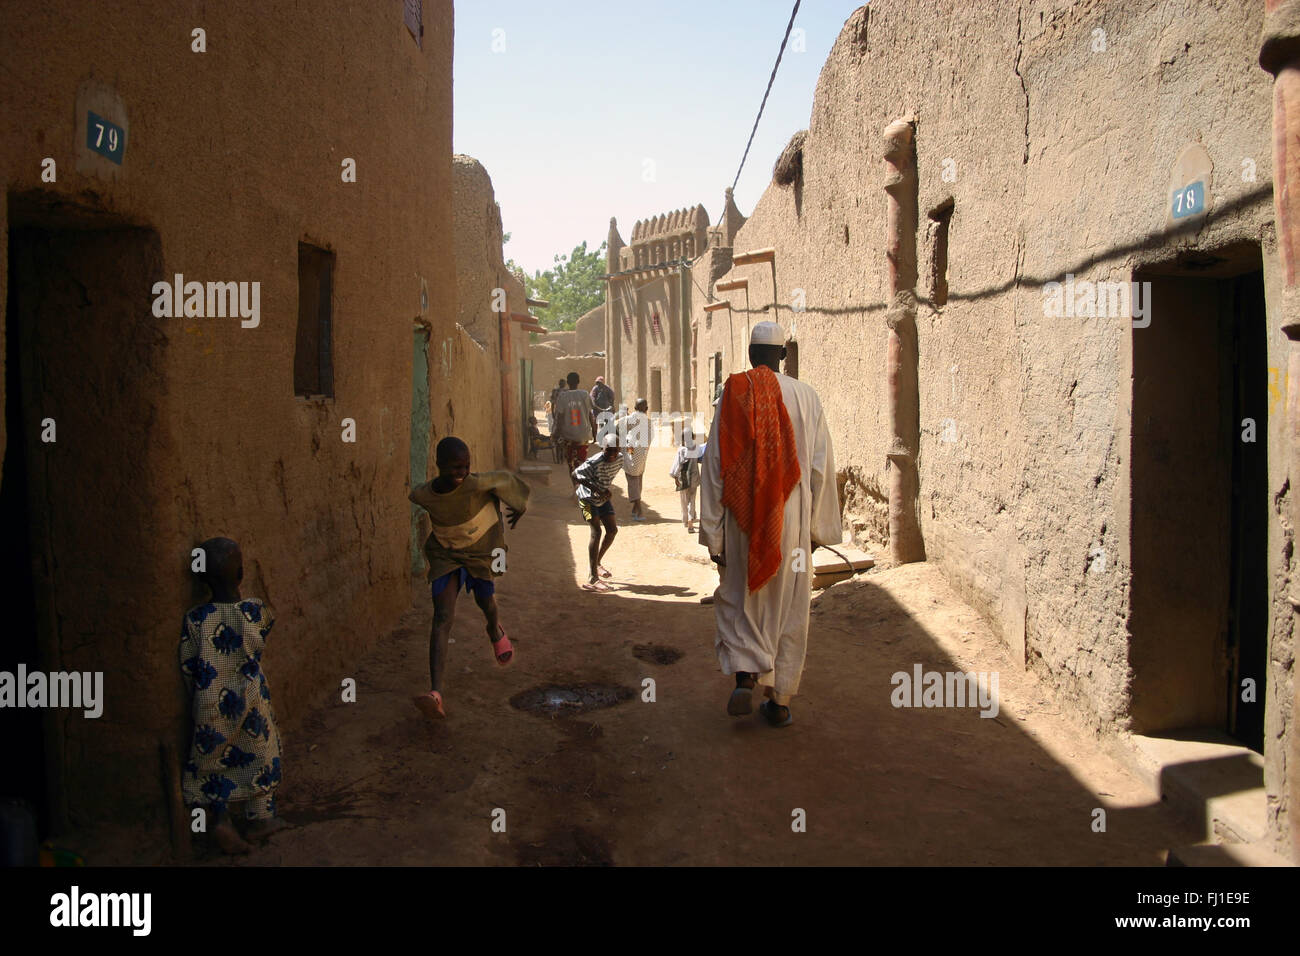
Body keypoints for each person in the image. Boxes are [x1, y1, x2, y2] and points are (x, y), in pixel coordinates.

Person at [699, 321, 841, 728]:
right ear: (782, 357)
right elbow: (819, 467)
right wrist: (817, 530)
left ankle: (745, 674)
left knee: (741, 596)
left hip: (745, 517)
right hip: (792, 514)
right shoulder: (808, 396)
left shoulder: (734, 392)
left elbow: (715, 466)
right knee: (791, 605)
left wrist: (712, 531)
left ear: (750, 355)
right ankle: (779, 700)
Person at [409, 436, 529, 720]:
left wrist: (518, 506)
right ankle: (435, 693)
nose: (461, 473)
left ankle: (493, 630)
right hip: (446, 555)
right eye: (454, 468)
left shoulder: (476, 484)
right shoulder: (424, 495)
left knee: (486, 603)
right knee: (441, 617)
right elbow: (417, 496)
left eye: (466, 467)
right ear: (438, 465)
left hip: (478, 554)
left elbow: (504, 481)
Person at [179, 537, 286, 855]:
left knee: (213, 763)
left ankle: (221, 820)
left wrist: (199, 696)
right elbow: (265, 633)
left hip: (210, 703)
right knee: (260, 756)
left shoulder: (195, 619)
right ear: (240, 573)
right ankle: (259, 819)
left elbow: (188, 664)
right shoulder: (255, 612)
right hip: (250, 701)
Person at [573, 434, 625, 591]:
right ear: (602, 448)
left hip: (601, 498)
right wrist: (596, 489)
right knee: (596, 531)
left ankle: (597, 562)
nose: (612, 455)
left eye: (615, 451)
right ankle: (592, 578)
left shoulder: (620, 459)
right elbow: (575, 475)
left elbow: (607, 476)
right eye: (608, 451)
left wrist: (606, 490)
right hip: (587, 499)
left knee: (612, 530)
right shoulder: (594, 461)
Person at [554, 371, 596, 484]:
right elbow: (590, 415)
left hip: (568, 436)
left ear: (567, 382)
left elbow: (560, 418)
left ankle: (575, 487)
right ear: (578, 381)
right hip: (583, 436)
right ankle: (581, 487)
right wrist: (595, 432)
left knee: (571, 465)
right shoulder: (585, 394)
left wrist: (556, 433)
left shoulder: (562, 396)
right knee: (581, 462)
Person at [616, 398, 652, 520]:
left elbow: (618, 427)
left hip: (630, 451)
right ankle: (635, 509)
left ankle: (639, 510)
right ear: (646, 409)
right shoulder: (648, 422)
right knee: (638, 480)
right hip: (642, 455)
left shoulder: (628, 419)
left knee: (632, 480)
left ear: (635, 408)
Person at [670, 424, 704, 532]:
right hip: (694, 478)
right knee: (692, 500)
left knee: (684, 500)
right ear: (693, 437)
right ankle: (691, 520)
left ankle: (686, 520)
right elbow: (700, 458)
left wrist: (675, 476)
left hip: (683, 478)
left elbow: (677, 465)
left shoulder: (681, 450)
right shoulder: (696, 447)